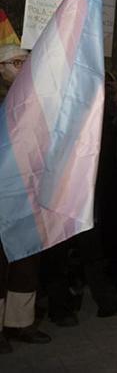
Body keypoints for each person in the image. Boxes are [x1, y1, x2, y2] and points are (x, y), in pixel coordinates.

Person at [0, 45, 51, 354]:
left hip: (29, 193)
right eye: (16, 62)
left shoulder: (37, 102)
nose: (22, 68)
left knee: (26, 261)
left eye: (26, 62)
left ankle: (20, 323)